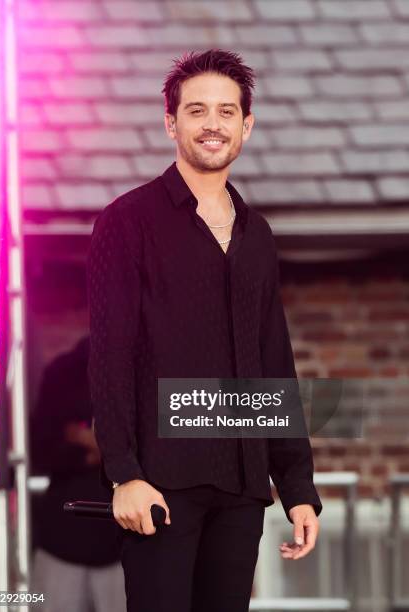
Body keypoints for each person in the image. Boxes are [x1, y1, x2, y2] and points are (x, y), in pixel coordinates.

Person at [86, 48, 323, 612]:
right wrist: (124, 473)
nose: (212, 124)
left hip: (242, 488)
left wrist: (297, 489)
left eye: (225, 111)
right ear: (171, 122)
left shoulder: (258, 235)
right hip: (161, 485)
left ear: (247, 125)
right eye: (196, 111)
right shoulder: (127, 222)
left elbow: (273, 362)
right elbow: (110, 356)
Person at [30, 336, 127, 612]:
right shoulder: (62, 373)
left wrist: (92, 444)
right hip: (64, 539)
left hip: (124, 538)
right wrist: (92, 449)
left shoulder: (142, 367)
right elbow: (40, 447)